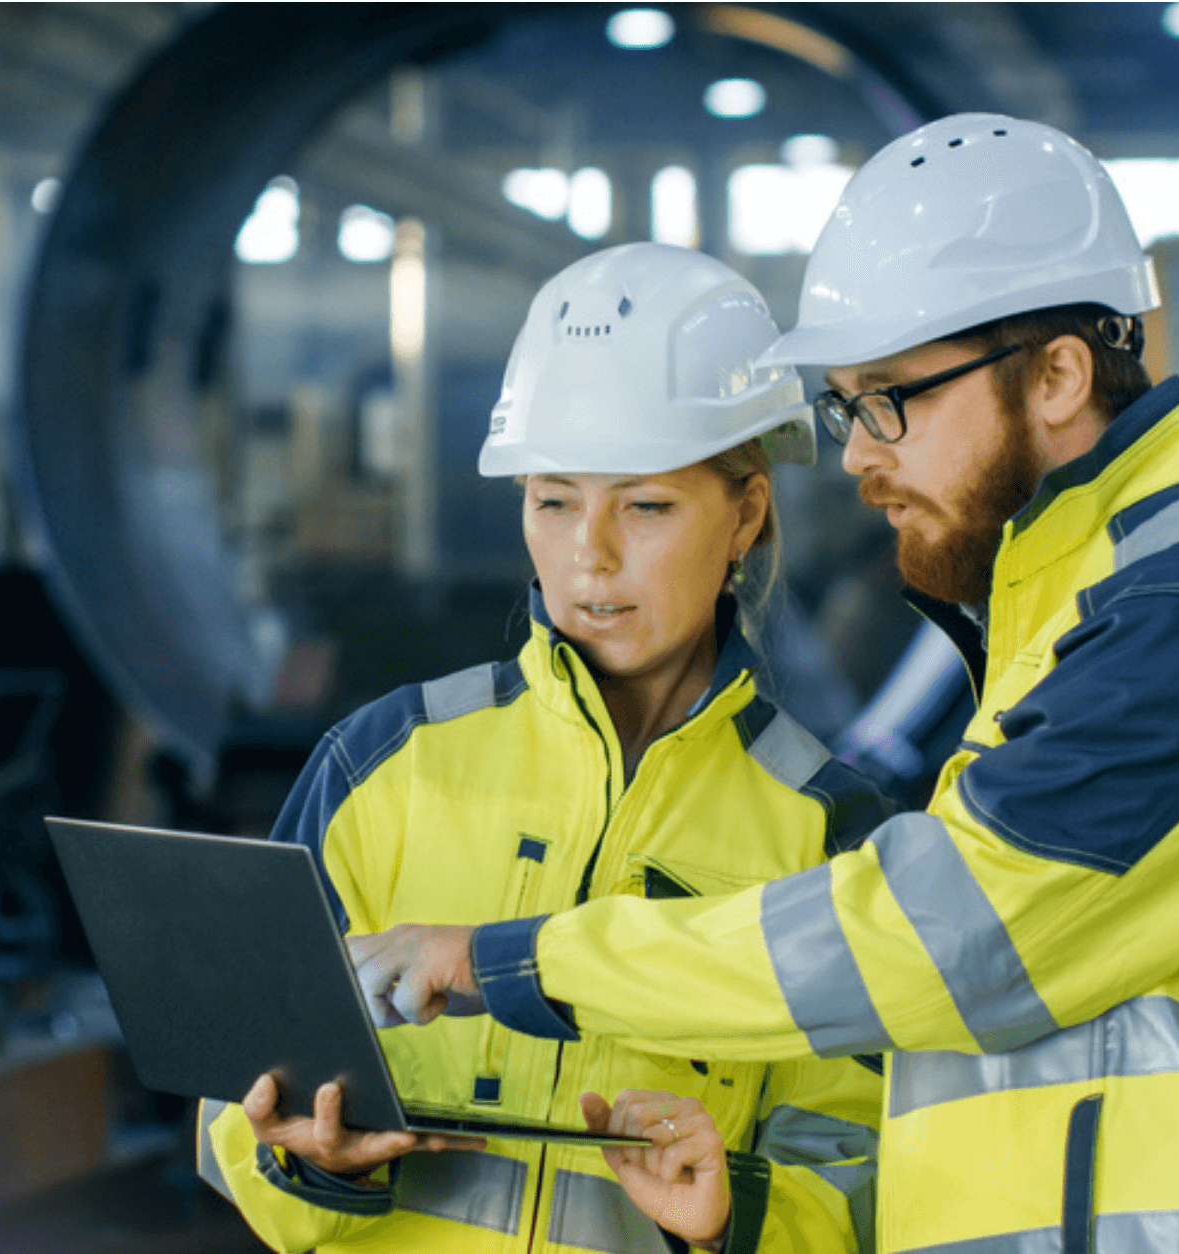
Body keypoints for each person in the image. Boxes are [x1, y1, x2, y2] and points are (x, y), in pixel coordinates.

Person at [350, 114, 1179, 1254]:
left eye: (889, 398)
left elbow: (941, 943)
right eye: (847, 404)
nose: (859, 453)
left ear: (1059, 374)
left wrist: (508, 961)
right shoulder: (1064, 613)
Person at [197, 243, 895, 1254]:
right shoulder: (383, 764)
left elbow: (856, 1175)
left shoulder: (829, 837)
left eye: (645, 506)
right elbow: (226, 1106)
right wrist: (299, 1157)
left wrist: (735, 1218)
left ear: (745, 513)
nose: (590, 557)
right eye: (553, 501)